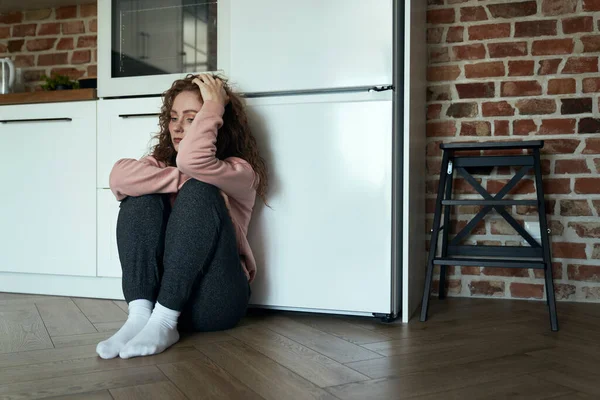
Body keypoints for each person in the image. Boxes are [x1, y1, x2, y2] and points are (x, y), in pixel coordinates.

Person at [96, 73, 268, 359]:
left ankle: (164, 321)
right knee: (140, 194)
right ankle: (138, 317)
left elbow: (192, 161)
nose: (177, 127)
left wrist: (214, 105)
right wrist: (179, 178)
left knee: (201, 189)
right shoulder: (162, 165)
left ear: (215, 123)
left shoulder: (239, 172)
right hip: (155, 303)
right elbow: (119, 177)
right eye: (174, 118)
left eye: (191, 118)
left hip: (214, 302)